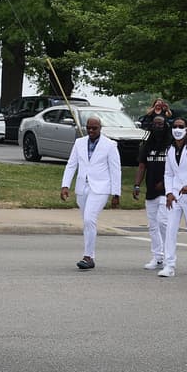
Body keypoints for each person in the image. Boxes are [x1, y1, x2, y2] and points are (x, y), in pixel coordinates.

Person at [60, 115, 122, 270]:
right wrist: (65, 185)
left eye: (94, 128)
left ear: (100, 128)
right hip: (82, 187)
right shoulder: (79, 143)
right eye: (88, 128)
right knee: (87, 222)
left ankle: (88, 257)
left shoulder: (110, 145)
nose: (91, 130)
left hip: (100, 188)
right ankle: (90, 255)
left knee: (89, 219)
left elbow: (115, 170)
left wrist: (116, 193)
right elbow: (71, 164)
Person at [157, 117, 187, 277]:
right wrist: (169, 193)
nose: (177, 129)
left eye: (181, 126)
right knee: (170, 230)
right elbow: (168, 173)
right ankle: (169, 265)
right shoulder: (170, 149)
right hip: (175, 196)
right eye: (175, 126)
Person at [132, 114, 171, 269]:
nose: (157, 127)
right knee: (153, 225)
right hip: (151, 189)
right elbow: (142, 166)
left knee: (163, 222)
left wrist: (165, 182)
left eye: (160, 124)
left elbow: (175, 168)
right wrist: (136, 185)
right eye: (155, 124)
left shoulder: (171, 144)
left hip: (166, 190)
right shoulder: (147, 145)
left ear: (166, 125)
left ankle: (168, 256)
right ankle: (157, 256)